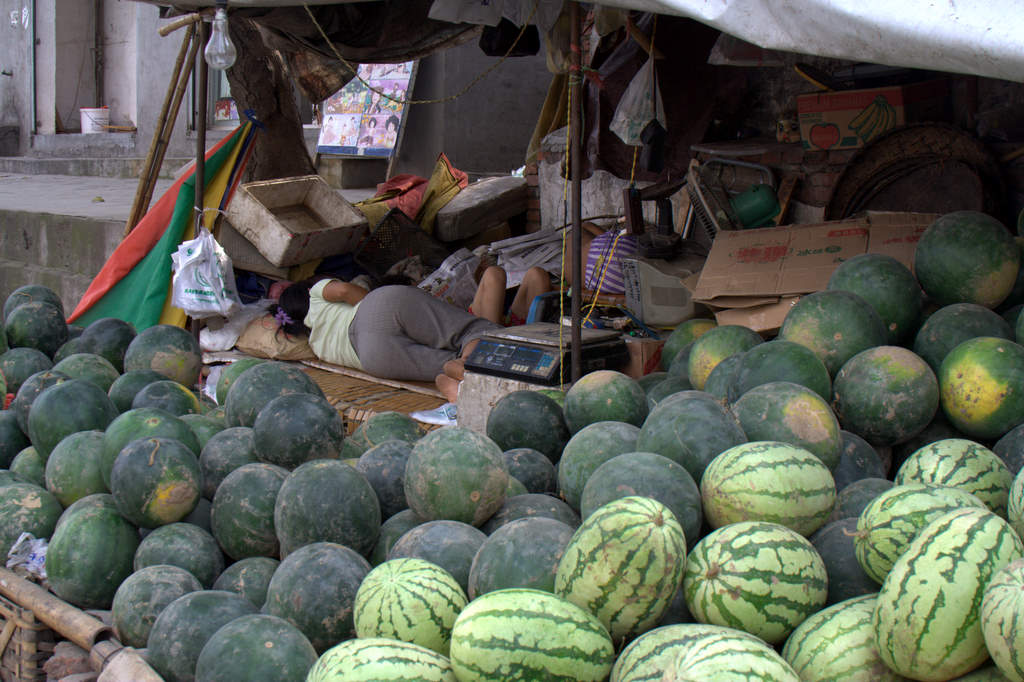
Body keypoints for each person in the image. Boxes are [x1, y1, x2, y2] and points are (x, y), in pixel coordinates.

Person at [270, 277, 503, 405]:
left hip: (374, 358)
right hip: (377, 310)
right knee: (474, 330)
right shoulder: (315, 292)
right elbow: (343, 290)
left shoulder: (317, 347)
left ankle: (451, 381)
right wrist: (374, 304)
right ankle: (465, 359)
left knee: (447, 363)